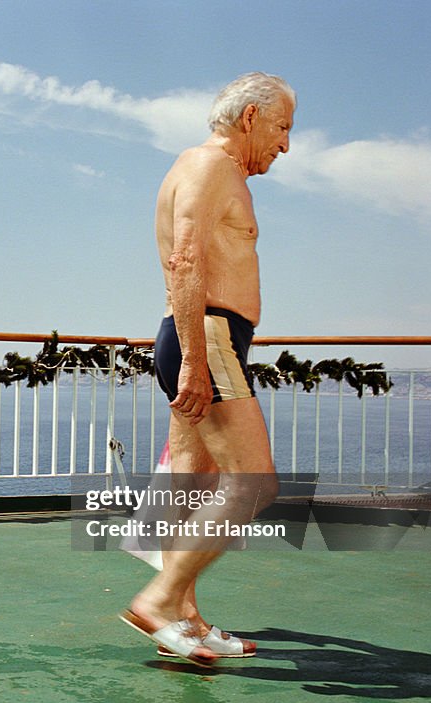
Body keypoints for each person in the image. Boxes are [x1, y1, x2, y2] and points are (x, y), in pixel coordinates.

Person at [119, 73, 293, 665]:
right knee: (254, 484)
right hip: (208, 338)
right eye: (282, 127)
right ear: (249, 117)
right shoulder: (210, 165)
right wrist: (195, 358)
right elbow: (185, 256)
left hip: (208, 338)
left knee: (191, 482)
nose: (285, 144)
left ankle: (186, 616)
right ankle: (160, 599)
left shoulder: (212, 171)